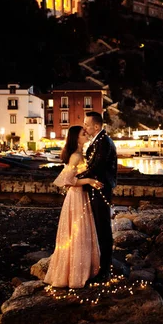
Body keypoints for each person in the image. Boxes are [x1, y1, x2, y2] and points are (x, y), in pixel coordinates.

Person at [44, 125, 103, 288]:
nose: (86, 135)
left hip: (80, 196)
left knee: (80, 233)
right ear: (76, 138)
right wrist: (89, 181)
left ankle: (81, 271)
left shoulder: (79, 154)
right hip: (76, 197)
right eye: (83, 134)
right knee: (78, 233)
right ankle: (76, 275)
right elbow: (67, 180)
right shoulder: (76, 156)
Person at [77, 111, 117, 281]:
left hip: (101, 189)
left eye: (86, 124)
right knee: (100, 227)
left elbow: (97, 166)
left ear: (96, 126)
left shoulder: (103, 142)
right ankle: (103, 266)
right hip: (98, 188)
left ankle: (105, 270)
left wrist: (76, 178)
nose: (84, 127)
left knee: (103, 228)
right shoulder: (99, 141)